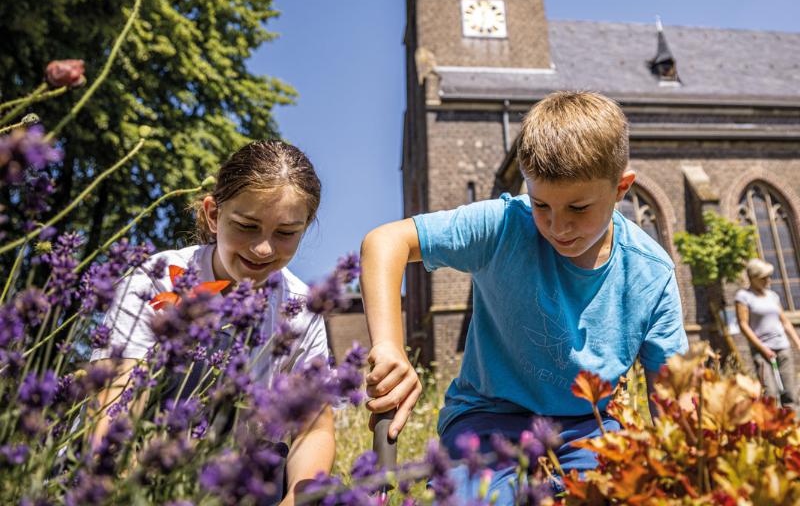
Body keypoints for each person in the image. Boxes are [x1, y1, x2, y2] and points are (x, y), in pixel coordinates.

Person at [360, 91, 688, 501]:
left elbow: (671, 397)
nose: (557, 225)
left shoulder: (650, 273)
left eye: (579, 208)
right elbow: (385, 242)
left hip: (589, 427)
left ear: (621, 188)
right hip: (486, 421)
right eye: (541, 204)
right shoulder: (503, 226)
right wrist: (389, 344)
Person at [89, 140, 334, 506]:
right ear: (213, 215)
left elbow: (313, 429)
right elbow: (115, 404)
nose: (263, 248)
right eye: (247, 225)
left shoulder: (299, 309)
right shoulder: (155, 282)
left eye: (285, 233)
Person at [735, 258, 800, 409]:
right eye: (763, 278)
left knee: (790, 391)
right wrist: (763, 348)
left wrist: (797, 342)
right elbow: (743, 325)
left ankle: (791, 425)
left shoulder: (772, 296)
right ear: (753, 278)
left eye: (768, 276)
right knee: (770, 392)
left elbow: (784, 322)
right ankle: (773, 427)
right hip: (761, 350)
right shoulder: (743, 296)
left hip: (782, 346)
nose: (768, 280)